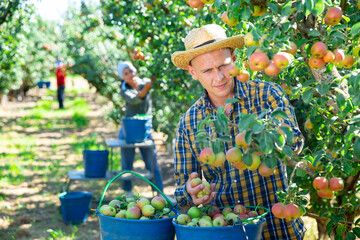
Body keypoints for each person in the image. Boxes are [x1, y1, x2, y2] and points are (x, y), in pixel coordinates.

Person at [171, 24, 305, 239]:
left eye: (223, 65)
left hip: (279, 228)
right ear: (193, 72)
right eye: (207, 70)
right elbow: (181, 191)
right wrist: (190, 193)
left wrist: (267, 138)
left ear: (233, 58)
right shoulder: (189, 123)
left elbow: (295, 144)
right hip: (227, 230)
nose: (219, 77)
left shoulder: (267, 96)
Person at [117, 61, 164, 196]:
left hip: (145, 125)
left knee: (151, 160)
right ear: (122, 77)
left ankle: (159, 193)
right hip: (129, 126)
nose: (130, 75)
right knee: (126, 160)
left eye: (131, 71)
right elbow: (135, 100)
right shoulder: (124, 90)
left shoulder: (144, 82)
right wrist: (146, 89)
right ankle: (128, 192)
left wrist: (147, 86)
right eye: (126, 73)